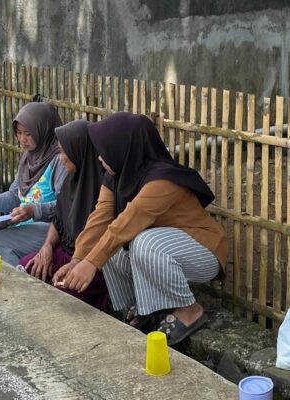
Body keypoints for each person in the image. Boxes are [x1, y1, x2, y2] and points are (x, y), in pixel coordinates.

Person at [53, 112, 227, 346]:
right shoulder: (115, 176)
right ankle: (140, 307)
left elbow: (128, 221)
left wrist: (91, 263)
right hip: (164, 249)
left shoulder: (163, 180)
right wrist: (78, 259)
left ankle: (189, 310)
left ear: (123, 147)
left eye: (105, 150)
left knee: (141, 241)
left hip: (203, 251)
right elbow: (99, 219)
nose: (100, 157)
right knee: (113, 245)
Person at [17, 120, 109, 311]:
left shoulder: (104, 188)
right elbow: (58, 219)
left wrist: (78, 262)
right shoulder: (71, 181)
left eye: (64, 152)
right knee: (27, 268)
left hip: (91, 263)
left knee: (59, 296)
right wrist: (47, 247)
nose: (60, 158)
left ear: (79, 151)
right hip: (65, 253)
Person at [0, 102, 67, 266]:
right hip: (24, 224)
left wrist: (33, 210)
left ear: (43, 130)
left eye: (28, 133)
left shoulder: (59, 160)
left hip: (50, 229)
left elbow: (65, 206)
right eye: (19, 133)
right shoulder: (28, 157)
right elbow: (14, 196)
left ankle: (22, 279)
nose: (22, 139)